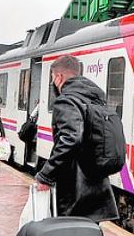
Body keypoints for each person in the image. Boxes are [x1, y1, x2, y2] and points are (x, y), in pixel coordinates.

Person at [33, 55, 119, 222]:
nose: (53, 83)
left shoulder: (66, 101)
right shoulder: (94, 98)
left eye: (53, 78)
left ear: (59, 77)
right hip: (97, 187)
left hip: (74, 192)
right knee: (88, 235)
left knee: (68, 235)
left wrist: (46, 176)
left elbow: (70, 138)